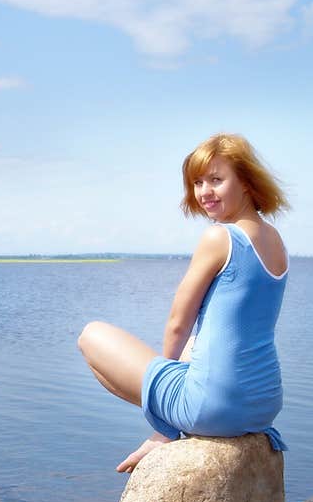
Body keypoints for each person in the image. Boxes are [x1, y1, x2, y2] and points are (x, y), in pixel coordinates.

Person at [77, 132, 290, 474]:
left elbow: (179, 320)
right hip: (263, 404)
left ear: (247, 182)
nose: (205, 191)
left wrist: (167, 377)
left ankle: (165, 428)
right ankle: (168, 426)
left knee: (91, 335)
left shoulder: (219, 237)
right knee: (198, 345)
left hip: (215, 406)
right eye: (197, 182)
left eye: (216, 180)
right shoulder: (274, 240)